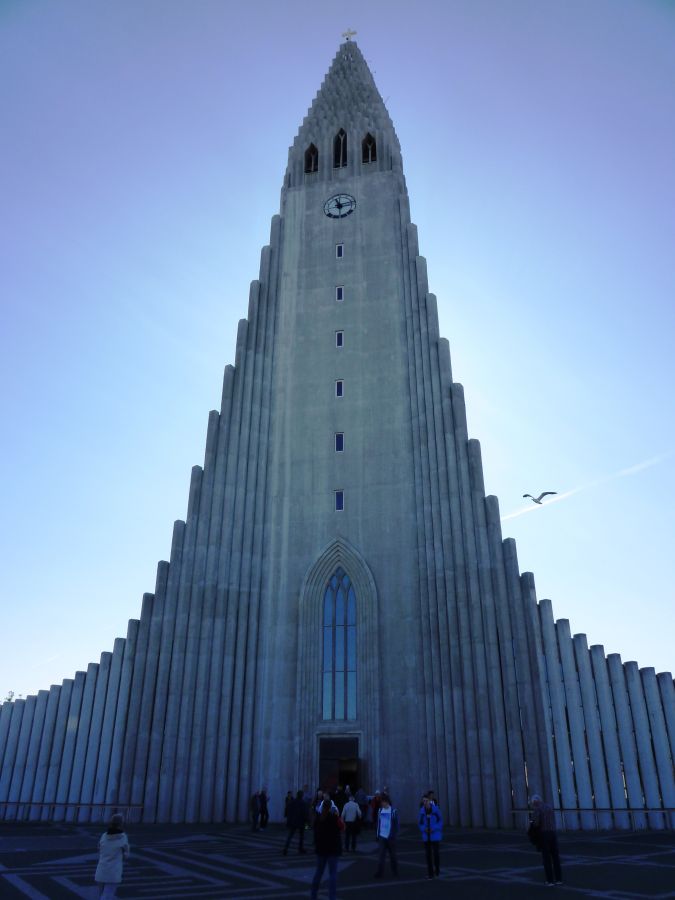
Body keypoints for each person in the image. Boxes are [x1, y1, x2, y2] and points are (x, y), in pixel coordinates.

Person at [311, 798, 342, 900]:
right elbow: (342, 828)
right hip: (333, 850)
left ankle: (313, 895)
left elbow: (314, 833)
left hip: (321, 850)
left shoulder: (318, 818)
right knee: (332, 874)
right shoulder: (334, 818)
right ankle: (332, 897)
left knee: (318, 872)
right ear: (331, 807)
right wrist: (338, 815)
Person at [94, 813, 129, 898]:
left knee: (101, 895)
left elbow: (99, 848)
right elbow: (126, 855)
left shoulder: (104, 835)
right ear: (121, 824)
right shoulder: (123, 837)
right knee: (107, 896)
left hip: (101, 870)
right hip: (113, 872)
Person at [531, 794, 563, 886]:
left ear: (534, 802)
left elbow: (536, 823)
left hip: (544, 834)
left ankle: (549, 880)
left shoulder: (537, 809)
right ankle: (559, 879)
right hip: (553, 833)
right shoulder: (549, 807)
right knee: (555, 857)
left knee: (546, 858)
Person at [374, 793, 399, 878]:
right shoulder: (380, 811)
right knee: (381, 856)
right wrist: (377, 835)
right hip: (382, 836)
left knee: (393, 856)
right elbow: (378, 823)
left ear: (387, 802)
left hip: (390, 837)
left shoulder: (393, 811)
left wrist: (394, 835)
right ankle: (379, 873)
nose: (382, 804)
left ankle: (395, 871)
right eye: (381, 802)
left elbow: (396, 825)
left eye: (383, 802)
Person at [418, 794, 443, 878]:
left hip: (435, 835)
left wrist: (434, 828)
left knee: (436, 854)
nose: (425, 802)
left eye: (426, 801)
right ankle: (430, 874)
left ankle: (437, 870)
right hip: (426, 836)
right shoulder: (421, 811)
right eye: (423, 801)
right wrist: (423, 829)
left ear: (430, 801)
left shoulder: (436, 810)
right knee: (428, 855)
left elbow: (440, 822)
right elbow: (420, 823)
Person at [283, 790, 309, 855]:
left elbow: (288, 811)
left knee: (290, 836)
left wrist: (288, 820)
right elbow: (305, 814)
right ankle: (300, 848)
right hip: (301, 822)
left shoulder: (292, 802)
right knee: (301, 836)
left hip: (293, 822)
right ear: (302, 796)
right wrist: (307, 823)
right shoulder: (303, 803)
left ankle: (286, 848)